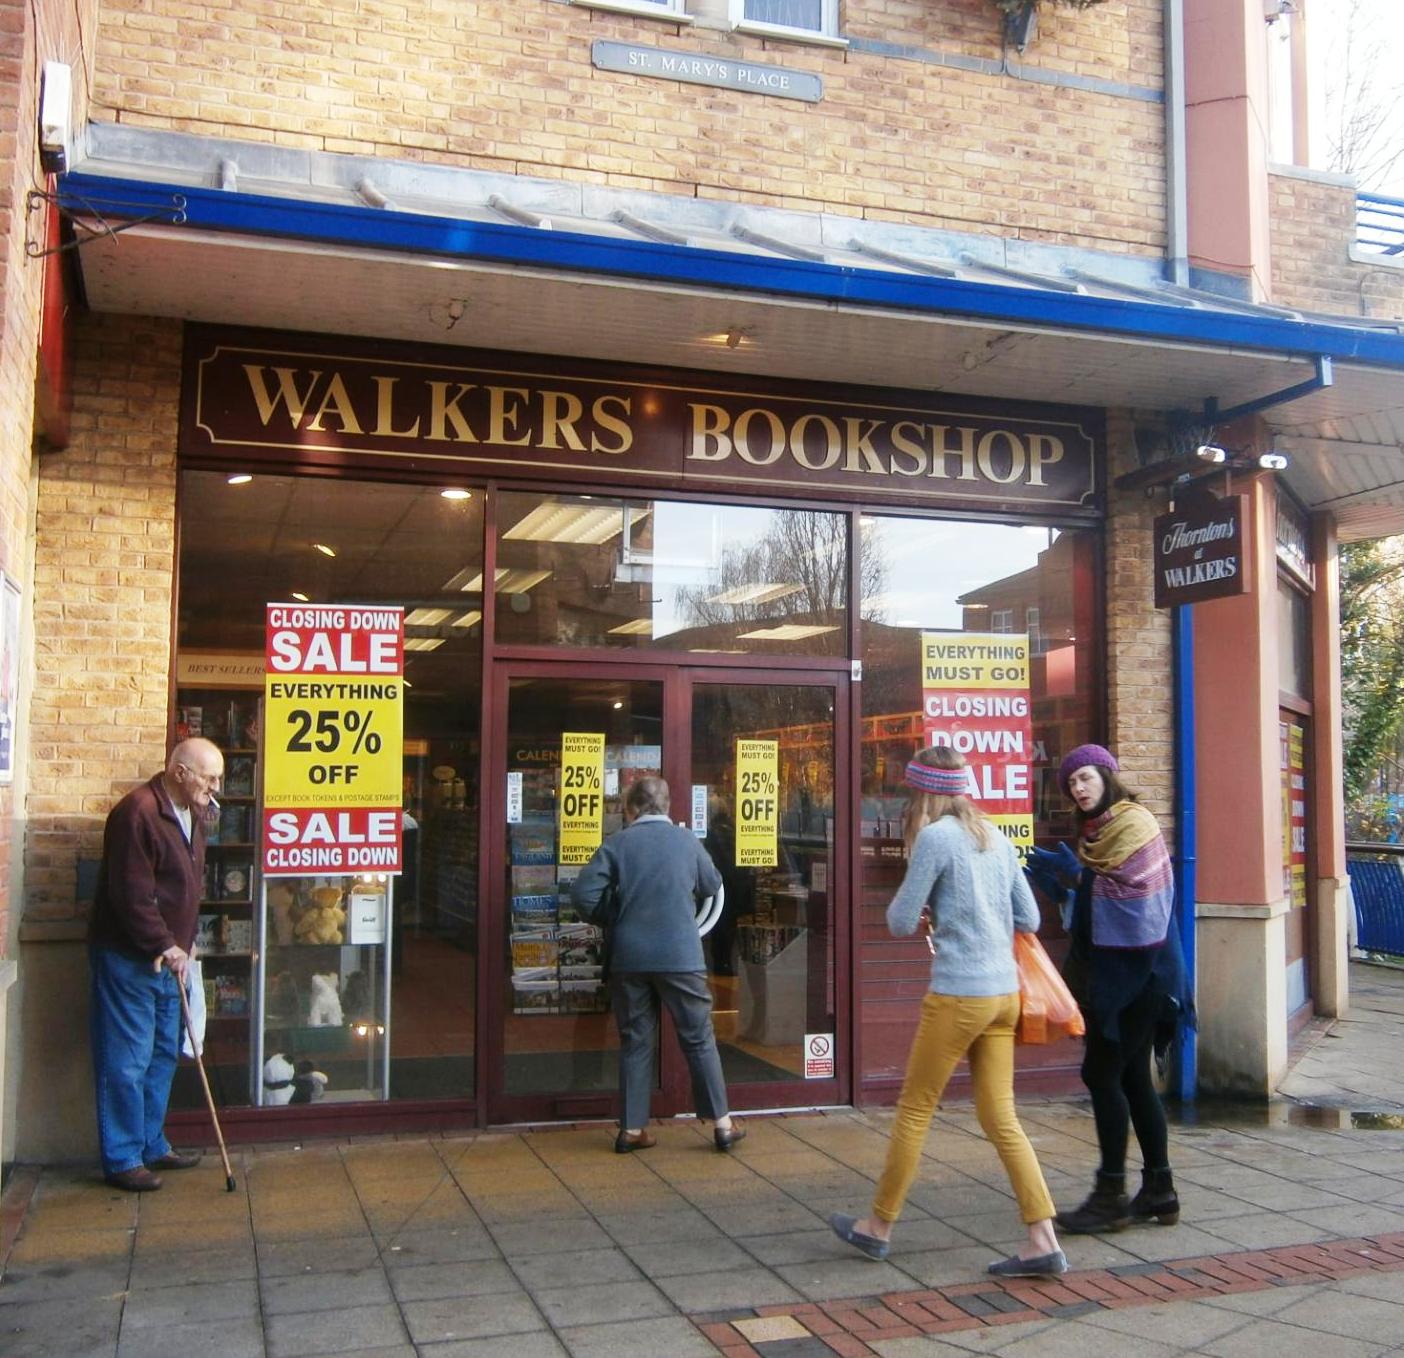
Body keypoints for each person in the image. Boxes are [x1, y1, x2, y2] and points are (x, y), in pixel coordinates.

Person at [829, 745, 1067, 1278]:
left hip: (960, 993)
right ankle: (1041, 1236)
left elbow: (897, 920)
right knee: (1000, 1116)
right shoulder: (997, 837)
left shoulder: (936, 839)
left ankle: (878, 1227)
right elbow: (1027, 916)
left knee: (915, 1109)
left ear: (926, 792)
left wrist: (935, 904)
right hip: (1005, 995)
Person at [1027, 743, 1191, 1233]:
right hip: (1125, 977)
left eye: (1086, 778)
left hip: (1145, 978)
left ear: (1107, 776)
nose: (1078, 789)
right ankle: (1159, 1190)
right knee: (1132, 1079)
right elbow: (1103, 896)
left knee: (1102, 1075)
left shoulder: (1134, 823)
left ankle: (1111, 1194)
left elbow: (1139, 904)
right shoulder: (1097, 834)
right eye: (1071, 783)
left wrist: (1080, 881)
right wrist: (1071, 888)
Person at [571, 776, 745, 1153]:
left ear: (630, 808)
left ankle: (632, 1130)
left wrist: (614, 915)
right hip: (681, 956)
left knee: (635, 1041)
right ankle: (722, 1124)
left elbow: (583, 895)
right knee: (698, 1038)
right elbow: (713, 884)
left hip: (630, 958)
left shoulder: (617, 843)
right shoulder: (686, 841)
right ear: (667, 807)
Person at [88, 737, 223, 1191]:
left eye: (219, 778)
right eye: (209, 777)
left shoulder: (195, 813)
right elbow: (131, 895)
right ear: (180, 772)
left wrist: (186, 941)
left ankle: (151, 1143)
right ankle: (123, 1157)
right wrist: (165, 943)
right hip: (132, 957)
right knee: (127, 1058)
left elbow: (186, 885)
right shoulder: (138, 812)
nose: (215, 786)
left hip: (172, 958)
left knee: (163, 1052)